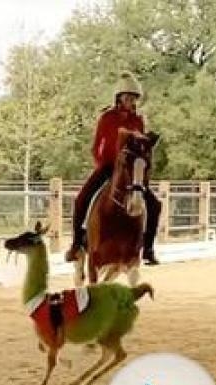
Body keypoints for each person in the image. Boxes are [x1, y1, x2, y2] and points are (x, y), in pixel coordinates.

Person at [65, 71, 161, 265]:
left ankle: (148, 247)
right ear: (119, 98)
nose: (130, 101)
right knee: (82, 198)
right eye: (127, 97)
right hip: (108, 165)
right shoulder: (107, 117)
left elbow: (140, 148)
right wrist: (102, 162)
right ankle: (76, 242)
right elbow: (96, 145)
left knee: (154, 203)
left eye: (133, 98)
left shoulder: (138, 120)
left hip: (130, 168)